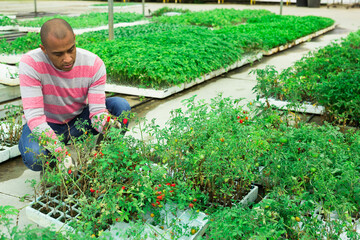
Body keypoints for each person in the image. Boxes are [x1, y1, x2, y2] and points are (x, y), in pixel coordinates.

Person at [18, 18, 131, 171]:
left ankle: (100, 159)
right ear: (44, 49)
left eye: (71, 49)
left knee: (121, 106)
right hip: (46, 123)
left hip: (78, 121)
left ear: (75, 39)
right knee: (35, 158)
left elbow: (96, 112)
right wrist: (60, 153)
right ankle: (56, 169)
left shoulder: (93, 64)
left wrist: (107, 124)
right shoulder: (31, 64)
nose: (67, 59)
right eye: (58, 54)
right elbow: (35, 118)